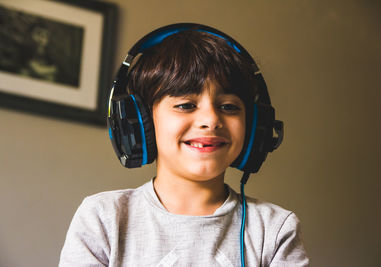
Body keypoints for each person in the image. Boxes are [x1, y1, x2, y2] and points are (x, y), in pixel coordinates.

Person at [59, 24, 309, 267]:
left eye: (229, 107)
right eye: (186, 105)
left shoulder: (275, 230)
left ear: (254, 127)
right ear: (139, 122)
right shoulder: (103, 218)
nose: (211, 120)